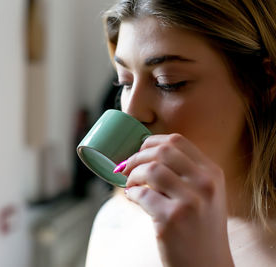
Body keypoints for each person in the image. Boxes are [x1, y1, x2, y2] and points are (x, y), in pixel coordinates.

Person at [85, 0, 276, 266]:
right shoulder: (114, 221)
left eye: (168, 82)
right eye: (125, 82)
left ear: (265, 82)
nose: (131, 112)